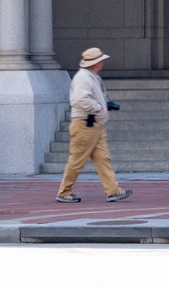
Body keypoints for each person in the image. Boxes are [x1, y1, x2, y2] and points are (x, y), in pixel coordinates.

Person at [55, 47, 131, 204]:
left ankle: (113, 191)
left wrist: (104, 104)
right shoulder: (84, 77)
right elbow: (80, 100)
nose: (102, 62)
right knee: (77, 160)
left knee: (103, 159)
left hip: (93, 124)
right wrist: (99, 107)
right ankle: (64, 192)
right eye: (101, 60)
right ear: (95, 63)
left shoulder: (90, 76)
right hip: (86, 123)